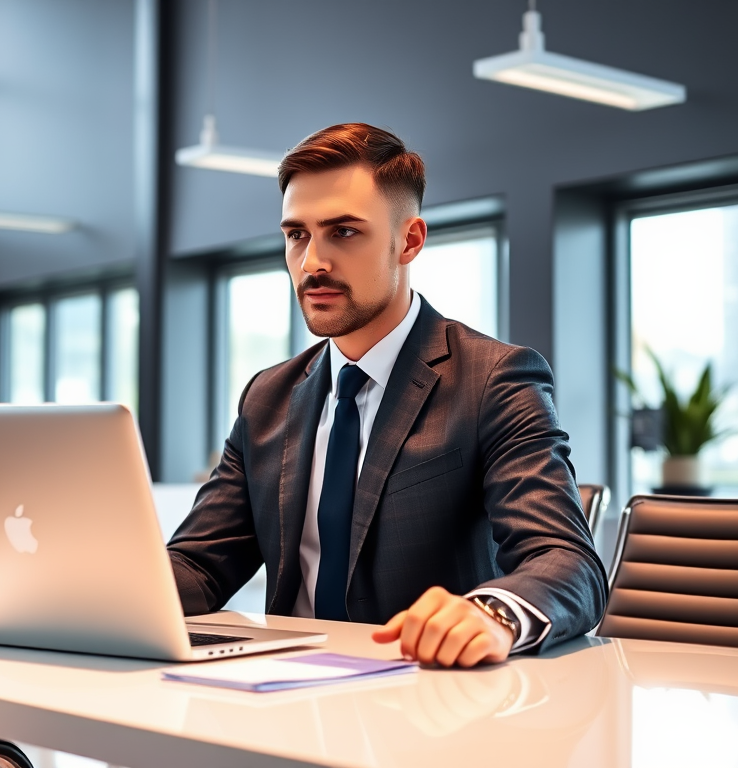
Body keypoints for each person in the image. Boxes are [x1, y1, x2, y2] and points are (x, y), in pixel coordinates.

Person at [167, 123, 607, 667]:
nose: (312, 263)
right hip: (280, 694)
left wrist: (492, 614)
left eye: (344, 232)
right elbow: (199, 564)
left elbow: (567, 561)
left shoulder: (493, 378)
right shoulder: (267, 397)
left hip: (425, 699)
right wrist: (86, 594)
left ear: (410, 240)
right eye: (297, 234)